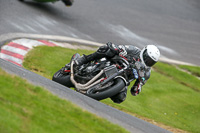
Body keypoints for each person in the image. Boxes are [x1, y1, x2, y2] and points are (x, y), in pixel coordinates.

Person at [75, 42, 160, 103]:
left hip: (123, 79)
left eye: (151, 62)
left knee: (120, 98)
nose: (148, 62)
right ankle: (83, 60)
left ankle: (99, 90)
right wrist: (119, 49)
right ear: (144, 53)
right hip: (115, 63)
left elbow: (136, 89)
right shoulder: (134, 50)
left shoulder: (146, 73)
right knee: (107, 49)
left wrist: (137, 88)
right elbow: (120, 47)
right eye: (147, 59)